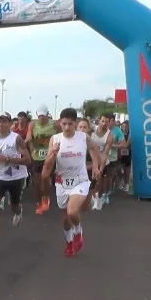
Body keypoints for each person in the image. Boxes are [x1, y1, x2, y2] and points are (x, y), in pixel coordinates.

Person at [42, 108, 101, 257]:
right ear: (60, 123)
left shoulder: (83, 137)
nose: (67, 127)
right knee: (66, 217)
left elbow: (93, 148)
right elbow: (47, 165)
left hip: (80, 180)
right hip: (62, 182)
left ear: (75, 123)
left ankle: (78, 233)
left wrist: (95, 166)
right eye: (64, 124)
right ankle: (69, 242)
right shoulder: (55, 139)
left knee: (72, 211)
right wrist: (53, 154)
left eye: (70, 124)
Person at [0, 115, 31, 253]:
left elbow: (27, 160)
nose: (2, 125)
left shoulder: (16, 138)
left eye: (5, 122)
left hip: (16, 177)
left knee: (14, 205)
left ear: (10, 124)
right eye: (0, 122)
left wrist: (7, 159)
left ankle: (18, 210)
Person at [26, 105, 59, 215]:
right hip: (37, 156)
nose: (41, 118)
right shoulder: (33, 124)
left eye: (43, 116)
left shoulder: (54, 124)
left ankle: (46, 198)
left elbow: (61, 136)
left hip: (50, 156)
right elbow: (29, 137)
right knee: (37, 181)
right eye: (39, 116)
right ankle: (39, 201)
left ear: (47, 115)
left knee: (46, 179)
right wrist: (30, 148)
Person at [90, 116, 113, 210]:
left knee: (100, 183)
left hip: (103, 161)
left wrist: (101, 168)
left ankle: (99, 198)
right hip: (91, 160)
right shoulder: (92, 131)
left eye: (106, 122)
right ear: (99, 121)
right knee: (92, 181)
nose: (104, 123)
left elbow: (105, 153)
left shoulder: (110, 136)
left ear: (109, 123)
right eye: (102, 121)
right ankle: (92, 198)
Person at [118, 121, 131, 192]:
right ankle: (122, 180)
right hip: (120, 154)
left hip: (127, 154)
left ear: (128, 127)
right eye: (123, 126)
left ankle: (127, 184)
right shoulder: (120, 133)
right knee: (119, 169)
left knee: (126, 170)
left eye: (126, 126)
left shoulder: (130, 134)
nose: (124, 128)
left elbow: (126, 145)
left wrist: (117, 145)